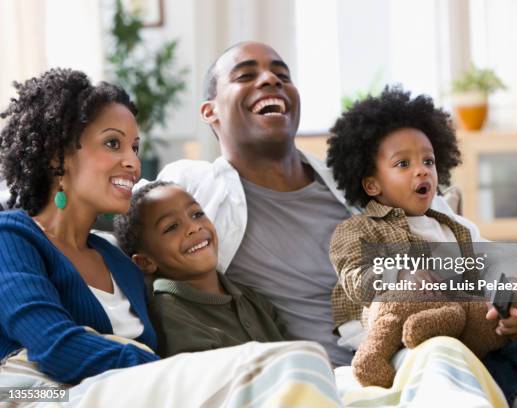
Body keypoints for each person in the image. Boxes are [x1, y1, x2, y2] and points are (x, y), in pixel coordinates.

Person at [157, 41, 517, 407]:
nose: (270, 78)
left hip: (458, 324)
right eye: (246, 75)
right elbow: (140, 221)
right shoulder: (195, 189)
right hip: (366, 360)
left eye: (281, 72)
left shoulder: (355, 181)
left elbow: (466, 246)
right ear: (210, 112)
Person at [0, 68, 344, 407]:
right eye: (112, 143)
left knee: (299, 366)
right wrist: (166, 371)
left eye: (134, 148)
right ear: (58, 156)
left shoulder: (118, 260)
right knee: (293, 363)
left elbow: (183, 306)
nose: (132, 163)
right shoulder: (13, 237)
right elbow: (55, 347)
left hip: (126, 393)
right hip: (37, 395)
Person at [326, 86, 517, 407]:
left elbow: (492, 262)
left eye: (428, 160)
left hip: (456, 323)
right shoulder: (357, 229)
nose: (422, 169)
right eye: (403, 164)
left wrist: (513, 291)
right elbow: (354, 275)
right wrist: (398, 276)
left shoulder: (455, 229)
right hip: (391, 337)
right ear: (371, 184)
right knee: (438, 359)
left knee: (488, 355)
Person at [113, 181, 284, 356]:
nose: (194, 227)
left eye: (197, 214)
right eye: (171, 227)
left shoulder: (251, 298)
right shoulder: (170, 315)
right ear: (145, 262)